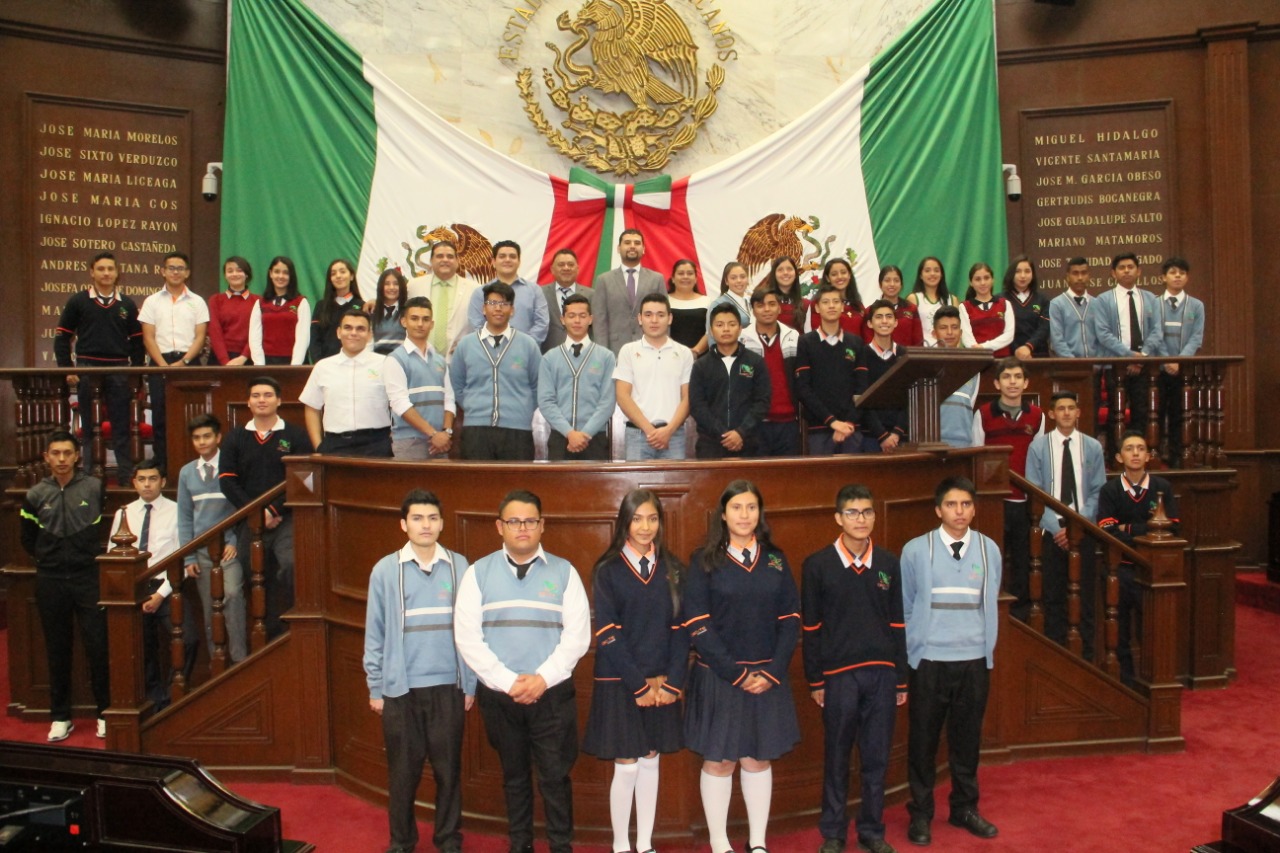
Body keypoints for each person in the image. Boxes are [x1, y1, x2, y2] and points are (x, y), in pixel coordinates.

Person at [453, 490, 591, 853]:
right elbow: (467, 637)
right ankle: (520, 846)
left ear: (542, 525)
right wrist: (508, 681)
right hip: (500, 697)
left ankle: (561, 846)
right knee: (514, 779)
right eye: (514, 521)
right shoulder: (477, 573)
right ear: (500, 527)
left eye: (530, 521)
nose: (523, 528)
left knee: (555, 778)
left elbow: (577, 637)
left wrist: (542, 678)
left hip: (552, 696)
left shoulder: (565, 572)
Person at [683, 480, 801, 853]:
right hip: (721, 678)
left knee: (757, 759)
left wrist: (773, 671)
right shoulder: (703, 560)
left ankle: (758, 842)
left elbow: (792, 618)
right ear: (723, 514)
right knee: (720, 762)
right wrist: (735, 673)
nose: (745, 515)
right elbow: (697, 624)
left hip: (767, 678)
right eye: (737, 508)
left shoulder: (776, 559)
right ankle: (720, 843)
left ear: (759, 513)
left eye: (751, 508)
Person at [364, 489, 476, 853]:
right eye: (417, 518)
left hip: (449, 687)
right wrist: (376, 685)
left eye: (431, 518)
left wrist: (470, 683)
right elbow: (375, 631)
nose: (425, 525)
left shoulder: (461, 566)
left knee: (448, 773)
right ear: (403, 524)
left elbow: (472, 629)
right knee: (403, 776)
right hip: (401, 691)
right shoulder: (385, 570)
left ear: (442, 523)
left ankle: (448, 840)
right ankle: (401, 843)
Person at [802, 485, 906, 853]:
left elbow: (898, 623)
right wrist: (815, 678)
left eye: (866, 512)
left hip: (882, 674)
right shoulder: (817, 565)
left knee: (876, 757)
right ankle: (833, 831)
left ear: (875, 517)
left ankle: (872, 830)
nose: (860, 520)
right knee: (837, 756)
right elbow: (811, 628)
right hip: (837, 677)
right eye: (852, 513)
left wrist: (901, 678)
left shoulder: (889, 564)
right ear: (838, 518)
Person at [582, 490, 687, 853]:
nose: (645, 526)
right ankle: (620, 845)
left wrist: (672, 682)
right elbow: (608, 633)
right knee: (626, 765)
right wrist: (639, 685)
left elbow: (681, 629)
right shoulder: (607, 570)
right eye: (638, 518)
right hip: (621, 682)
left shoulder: (674, 568)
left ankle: (644, 844)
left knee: (651, 761)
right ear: (624, 522)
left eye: (653, 518)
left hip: (662, 684)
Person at [901, 477, 1002, 846]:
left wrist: (985, 649)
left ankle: (964, 808)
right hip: (929, 661)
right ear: (938, 509)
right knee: (923, 741)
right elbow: (906, 604)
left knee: (967, 741)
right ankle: (922, 814)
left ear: (974, 508)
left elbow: (988, 604)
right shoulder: (916, 550)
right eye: (951, 505)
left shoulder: (989, 549)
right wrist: (916, 648)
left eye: (966, 505)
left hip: (974, 660)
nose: (959, 512)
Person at [20, 431, 110, 742]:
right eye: (55, 453)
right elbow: (28, 540)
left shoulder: (94, 487)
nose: (61, 459)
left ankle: (104, 713)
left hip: (88, 577)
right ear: (46, 457)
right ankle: (60, 716)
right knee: (57, 649)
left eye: (67, 453)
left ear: (76, 456)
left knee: (99, 647)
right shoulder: (34, 494)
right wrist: (51, 560)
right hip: (50, 580)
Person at [219, 376, 314, 639]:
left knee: (291, 565)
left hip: (287, 519)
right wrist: (256, 512)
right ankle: (271, 636)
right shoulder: (235, 437)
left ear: (279, 400)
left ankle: (293, 629)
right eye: (257, 395)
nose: (262, 400)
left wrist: (273, 511)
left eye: (268, 395)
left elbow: (304, 478)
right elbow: (227, 481)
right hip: (249, 521)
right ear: (248, 402)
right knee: (256, 578)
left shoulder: (295, 434)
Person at [110, 458, 195, 710]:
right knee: (140, 648)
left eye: (153, 479)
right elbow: (113, 556)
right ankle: (155, 698)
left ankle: (171, 696)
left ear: (163, 481)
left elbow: (180, 558)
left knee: (188, 639)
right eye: (142, 479)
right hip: (134, 589)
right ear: (134, 483)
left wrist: (160, 595)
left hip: (168, 587)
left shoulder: (176, 510)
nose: (147, 485)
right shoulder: (123, 513)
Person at [1025, 391, 1106, 654]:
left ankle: (1087, 656)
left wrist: (1077, 527)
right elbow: (1034, 492)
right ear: (1051, 413)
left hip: (1084, 531)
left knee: (1085, 599)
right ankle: (1056, 655)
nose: (1067, 413)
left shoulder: (1092, 447)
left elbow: (1097, 491)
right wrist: (1057, 528)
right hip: (1051, 533)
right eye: (1061, 408)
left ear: (1079, 412)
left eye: (1072, 408)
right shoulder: (1038, 447)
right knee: (1053, 597)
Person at [1097, 431, 1180, 685]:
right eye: (1130, 449)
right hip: (1119, 571)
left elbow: (1172, 527)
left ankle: (1152, 681)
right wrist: (1147, 528)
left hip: (1151, 572)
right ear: (1119, 457)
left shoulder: (1161, 488)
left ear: (1148, 456)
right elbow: (1108, 530)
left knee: (1152, 631)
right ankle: (1126, 683)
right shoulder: (1110, 490)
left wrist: (1128, 529)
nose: (1135, 453)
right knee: (1119, 632)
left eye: (1140, 449)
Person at [54, 251, 144, 483]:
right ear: (92, 272)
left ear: (117, 273)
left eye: (110, 269)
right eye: (101, 269)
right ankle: (87, 475)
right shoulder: (78, 301)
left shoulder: (127, 304)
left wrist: (136, 372)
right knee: (89, 424)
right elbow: (62, 337)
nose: (106, 273)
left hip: (119, 370)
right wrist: (68, 369)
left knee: (121, 424)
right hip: (87, 368)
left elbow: (137, 341)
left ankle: (125, 476)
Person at [971, 357, 1044, 622]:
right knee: (993, 556)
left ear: (1026, 383)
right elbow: (977, 455)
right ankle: (990, 607)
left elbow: (1039, 458)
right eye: (1006, 377)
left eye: (1017, 377)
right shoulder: (983, 414)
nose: (1012, 382)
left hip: (1025, 500)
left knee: (1025, 559)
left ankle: (1021, 612)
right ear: (996, 382)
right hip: (994, 501)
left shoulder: (1037, 416)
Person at [177, 413, 247, 664]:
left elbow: (242, 509)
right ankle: (217, 663)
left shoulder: (231, 467)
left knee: (232, 594)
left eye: (207, 436)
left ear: (218, 437)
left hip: (229, 547)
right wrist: (188, 555)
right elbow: (184, 518)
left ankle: (240, 659)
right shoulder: (186, 473)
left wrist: (234, 542)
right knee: (209, 608)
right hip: (202, 552)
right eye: (196, 438)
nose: (202, 442)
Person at [450, 281, 543, 460]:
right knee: (478, 486)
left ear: (512, 310)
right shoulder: (466, 345)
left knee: (518, 486)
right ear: (483, 309)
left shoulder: (528, 345)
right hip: (475, 430)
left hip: (518, 431)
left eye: (504, 304)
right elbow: (457, 386)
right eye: (492, 303)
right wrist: (472, 406)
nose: (498, 309)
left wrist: (521, 410)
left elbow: (538, 385)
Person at [139, 250, 209, 474]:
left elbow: (200, 336)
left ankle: (190, 465)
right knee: (160, 416)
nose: (176, 272)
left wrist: (185, 361)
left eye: (180, 268)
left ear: (187, 273)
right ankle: (164, 467)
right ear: (163, 271)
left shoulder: (197, 302)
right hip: (160, 361)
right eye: (171, 268)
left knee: (192, 416)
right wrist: (161, 364)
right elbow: (148, 336)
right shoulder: (151, 301)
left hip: (189, 362)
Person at [300, 309, 393, 458]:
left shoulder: (385, 364)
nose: (353, 333)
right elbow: (312, 407)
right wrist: (319, 446)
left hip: (377, 444)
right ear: (338, 332)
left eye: (360, 329)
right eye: (348, 327)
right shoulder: (323, 367)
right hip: (335, 445)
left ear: (370, 335)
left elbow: (398, 404)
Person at [1087, 252, 1162, 434]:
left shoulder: (1150, 298)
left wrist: (1141, 356)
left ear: (1139, 271)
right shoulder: (1103, 300)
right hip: (1115, 365)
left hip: (1144, 365)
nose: (1126, 271)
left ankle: (1140, 454)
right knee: (1115, 412)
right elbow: (1103, 334)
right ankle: (1115, 457)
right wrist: (1128, 356)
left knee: (1142, 412)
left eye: (1130, 267)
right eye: (1121, 268)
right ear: (1113, 273)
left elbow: (1157, 331)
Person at [613, 292, 695, 461]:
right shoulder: (628, 351)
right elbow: (622, 396)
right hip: (637, 434)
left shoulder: (684, 353)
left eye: (660, 315)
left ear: (670, 318)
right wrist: (650, 431)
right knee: (635, 487)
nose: (654, 320)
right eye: (648, 315)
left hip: (674, 435)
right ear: (640, 319)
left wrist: (668, 431)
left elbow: (688, 397)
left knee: (675, 486)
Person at [537, 294, 616, 460]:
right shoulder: (549, 358)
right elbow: (546, 401)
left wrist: (585, 434)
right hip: (560, 437)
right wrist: (569, 433)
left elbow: (607, 402)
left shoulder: (606, 357)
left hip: (595, 438)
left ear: (590, 319)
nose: (577, 321)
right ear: (563, 319)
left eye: (582, 316)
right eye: (571, 316)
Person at [690, 303, 771, 458]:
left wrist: (741, 432)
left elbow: (762, 402)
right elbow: (697, 406)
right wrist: (724, 434)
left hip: (749, 442)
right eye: (720, 325)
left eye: (731, 324)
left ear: (740, 328)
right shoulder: (701, 365)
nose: (726, 329)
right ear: (711, 331)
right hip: (711, 444)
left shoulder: (755, 362)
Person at [795, 284, 866, 456]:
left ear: (842, 306)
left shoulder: (855, 343)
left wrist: (847, 422)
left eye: (836, 301)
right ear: (817, 308)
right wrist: (832, 422)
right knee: (821, 481)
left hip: (851, 429)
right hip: (819, 429)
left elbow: (862, 389)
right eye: (826, 302)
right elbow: (803, 389)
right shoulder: (806, 342)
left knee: (853, 480)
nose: (832, 306)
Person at [383, 296, 456, 460]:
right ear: (403, 321)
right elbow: (400, 403)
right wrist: (433, 434)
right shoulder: (395, 359)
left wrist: (446, 433)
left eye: (425, 319)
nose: (420, 324)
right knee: (410, 487)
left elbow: (449, 400)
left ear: (432, 324)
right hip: (409, 442)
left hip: (440, 444)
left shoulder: (439, 360)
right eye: (414, 318)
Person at [1154, 256, 1205, 466]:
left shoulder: (1196, 305)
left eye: (1182, 273)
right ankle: (1156, 456)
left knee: (1179, 414)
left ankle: (1176, 457)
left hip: (1183, 370)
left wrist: (1179, 361)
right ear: (1163, 277)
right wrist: (1167, 360)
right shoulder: (1154, 304)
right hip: (1157, 370)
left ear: (1187, 277)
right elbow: (1154, 335)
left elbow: (1196, 337)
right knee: (1156, 414)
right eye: (1173, 272)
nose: (1177, 276)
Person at [742, 288, 802, 456]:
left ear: (779, 308)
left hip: (788, 421)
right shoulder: (741, 339)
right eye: (760, 305)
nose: (767, 309)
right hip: (754, 423)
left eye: (772, 304)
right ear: (752, 309)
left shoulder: (793, 336)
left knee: (787, 479)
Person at [594, 229, 666, 354]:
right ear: (618, 248)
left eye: (637, 243)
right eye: (627, 242)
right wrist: (602, 353)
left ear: (643, 249)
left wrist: (661, 348)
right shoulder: (604, 280)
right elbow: (599, 320)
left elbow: (663, 317)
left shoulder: (657, 279)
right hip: (614, 349)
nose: (632, 246)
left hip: (650, 348)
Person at [405, 240, 480, 358]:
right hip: (419, 358)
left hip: (459, 360)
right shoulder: (413, 286)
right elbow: (395, 307)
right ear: (431, 261)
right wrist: (374, 302)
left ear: (457, 261)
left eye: (450, 256)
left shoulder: (474, 289)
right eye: (439, 256)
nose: (445, 260)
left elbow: (481, 324)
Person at [467, 240, 549, 345]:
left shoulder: (534, 290)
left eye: (512, 256)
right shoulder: (480, 292)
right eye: (502, 256)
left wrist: (524, 346)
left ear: (519, 261)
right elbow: (476, 324)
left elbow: (542, 323)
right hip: (489, 355)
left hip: (524, 354)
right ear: (493, 261)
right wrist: (493, 347)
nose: (507, 260)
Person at [854, 300, 907, 454]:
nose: (884, 321)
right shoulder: (862, 354)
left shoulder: (905, 355)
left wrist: (897, 432)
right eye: (879, 317)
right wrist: (882, 435)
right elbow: (862, 397)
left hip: (901, 436)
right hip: (870, 436)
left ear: (896, 322)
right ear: (870, 323)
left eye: (889, 317)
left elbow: (910, 396)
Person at [248, 255, 311, 366]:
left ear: (291, 276)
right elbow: (254, 337)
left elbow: (303, 338)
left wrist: (294, 367)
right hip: (265, 362)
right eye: (277, 272)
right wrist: (259, 365)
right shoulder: (260, 303)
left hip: (294, 363)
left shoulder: (301, 302)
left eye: (285, 273)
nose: (281, 276)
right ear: (270, 273)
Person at [932, 307, 980, 449]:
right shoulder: (925, 364)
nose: (949, 333)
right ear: (934, 333)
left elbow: (971, 403)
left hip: (963, 442)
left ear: (961, 332)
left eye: (954, 327)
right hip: (932, 443)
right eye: (943, 328)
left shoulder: (973, 366)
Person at [906, 257, 974, 347]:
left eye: (936, 270)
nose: (932, 274)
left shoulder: (952, 299)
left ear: (941, 274)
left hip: (949, 353)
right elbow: (910, 330)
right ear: (920, 275)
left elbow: (959, 331)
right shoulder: (913, 299)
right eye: (927, 270)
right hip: (923, 353)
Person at [207, 256, 260, 365]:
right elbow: (215, 331)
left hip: (249, 357)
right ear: (225, 276)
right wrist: (225, 361)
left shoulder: (258, 301)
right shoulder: (216, 300)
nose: (234, 274)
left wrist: (244, 357)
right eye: (230, 271)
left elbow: (258, 333)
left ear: (246, 274)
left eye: (239, 270)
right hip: (219, 359)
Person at [309, 258, 363, 362]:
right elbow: (315, 340)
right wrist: (319, 364)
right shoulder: (321, 306)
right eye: (333, 273)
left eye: (342, 272)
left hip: (353, 364)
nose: (338, 276)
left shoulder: (361, 306)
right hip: (325, 365)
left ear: (351, 276)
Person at [1002, 256, 1050, 361]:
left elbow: (1044, 328)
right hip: (1010, 358)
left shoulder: (1042, 300)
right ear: (1011, 273)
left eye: (1027, 271)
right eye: (1018, 271)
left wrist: (1028, 346)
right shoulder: (1000, 300)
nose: (1023, 276)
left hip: (1037, 356)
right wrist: (1017, 350)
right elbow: (1000, 329)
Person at [541, 248, 588, 354]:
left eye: (570, 265)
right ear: (552, 269)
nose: (566, 268)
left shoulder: (591, 295)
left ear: (578, 268)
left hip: (582, 355)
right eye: (561, 264)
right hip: (548, 354)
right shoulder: (539, 293)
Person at [961, 262, 1014, 357]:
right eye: (977, 279)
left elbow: (1009, 335)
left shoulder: (1005, 304)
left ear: (992, 280)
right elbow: (966, 338)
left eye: (986, 278)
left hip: (1002, 361)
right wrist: (978, 350)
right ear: (971, 283)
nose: (983, 283)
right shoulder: (964, 307)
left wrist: (983, 347)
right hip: (976, 360)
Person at [864, 265, 923, 347]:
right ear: (880, 284)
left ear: (901, 284)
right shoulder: (869, 311)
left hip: (907, 357)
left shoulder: (911, 309)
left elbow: (918, 342)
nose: (892, 284)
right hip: (878, 358)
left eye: (896, 280)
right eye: (887, 280)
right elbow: (867, 341)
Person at [1049, 257, 1095, 358]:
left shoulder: (1097, 304)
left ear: (1088, 276)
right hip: (1068, 367)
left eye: (1084, 273)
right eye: (1075, 273)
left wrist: (1098, 363)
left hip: (1095, 366)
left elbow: (1102, 337)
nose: (1080, 277)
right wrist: (1074, 363)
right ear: (1068, 277)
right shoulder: (1056, 304)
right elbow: (1057, 340)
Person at [806, 257, 863, 338]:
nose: (839, 277)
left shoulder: (858, 305)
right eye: (834, 274)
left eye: (843, 272)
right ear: (827, 278)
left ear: (849, 275)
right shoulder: (817, 304)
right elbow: (813, 337)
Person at [667, 258, 711, 356]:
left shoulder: (708, 301)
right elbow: (659, 329)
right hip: (669, 355)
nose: (685, 277)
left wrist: (696, 351)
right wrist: (677, 352)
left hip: (701, 358)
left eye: (690, 273)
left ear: (695, 279)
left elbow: (712, 330)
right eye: (681, 273)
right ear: (673, 278)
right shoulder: (663, 301)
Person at [758, 255, 805, 333]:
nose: (785, 273)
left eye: (789, 269)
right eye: (780, 270)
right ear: (774, 274)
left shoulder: (806, 305)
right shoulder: (763, 302)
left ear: (796, 274)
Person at [367, 268, 408, 355]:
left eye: (396, 284)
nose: (391, 287)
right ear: (380, 287)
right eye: (387, 284)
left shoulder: (408, 312)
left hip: (401, 359)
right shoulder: (372, 311)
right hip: (377, 360)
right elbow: (368, 342)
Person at [706, 261, 752, 337]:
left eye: (742, 277)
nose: (739, 281)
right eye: (733, 278)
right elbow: (712, 336)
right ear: (726, 281)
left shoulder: (752, 301)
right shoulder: (717, 304)